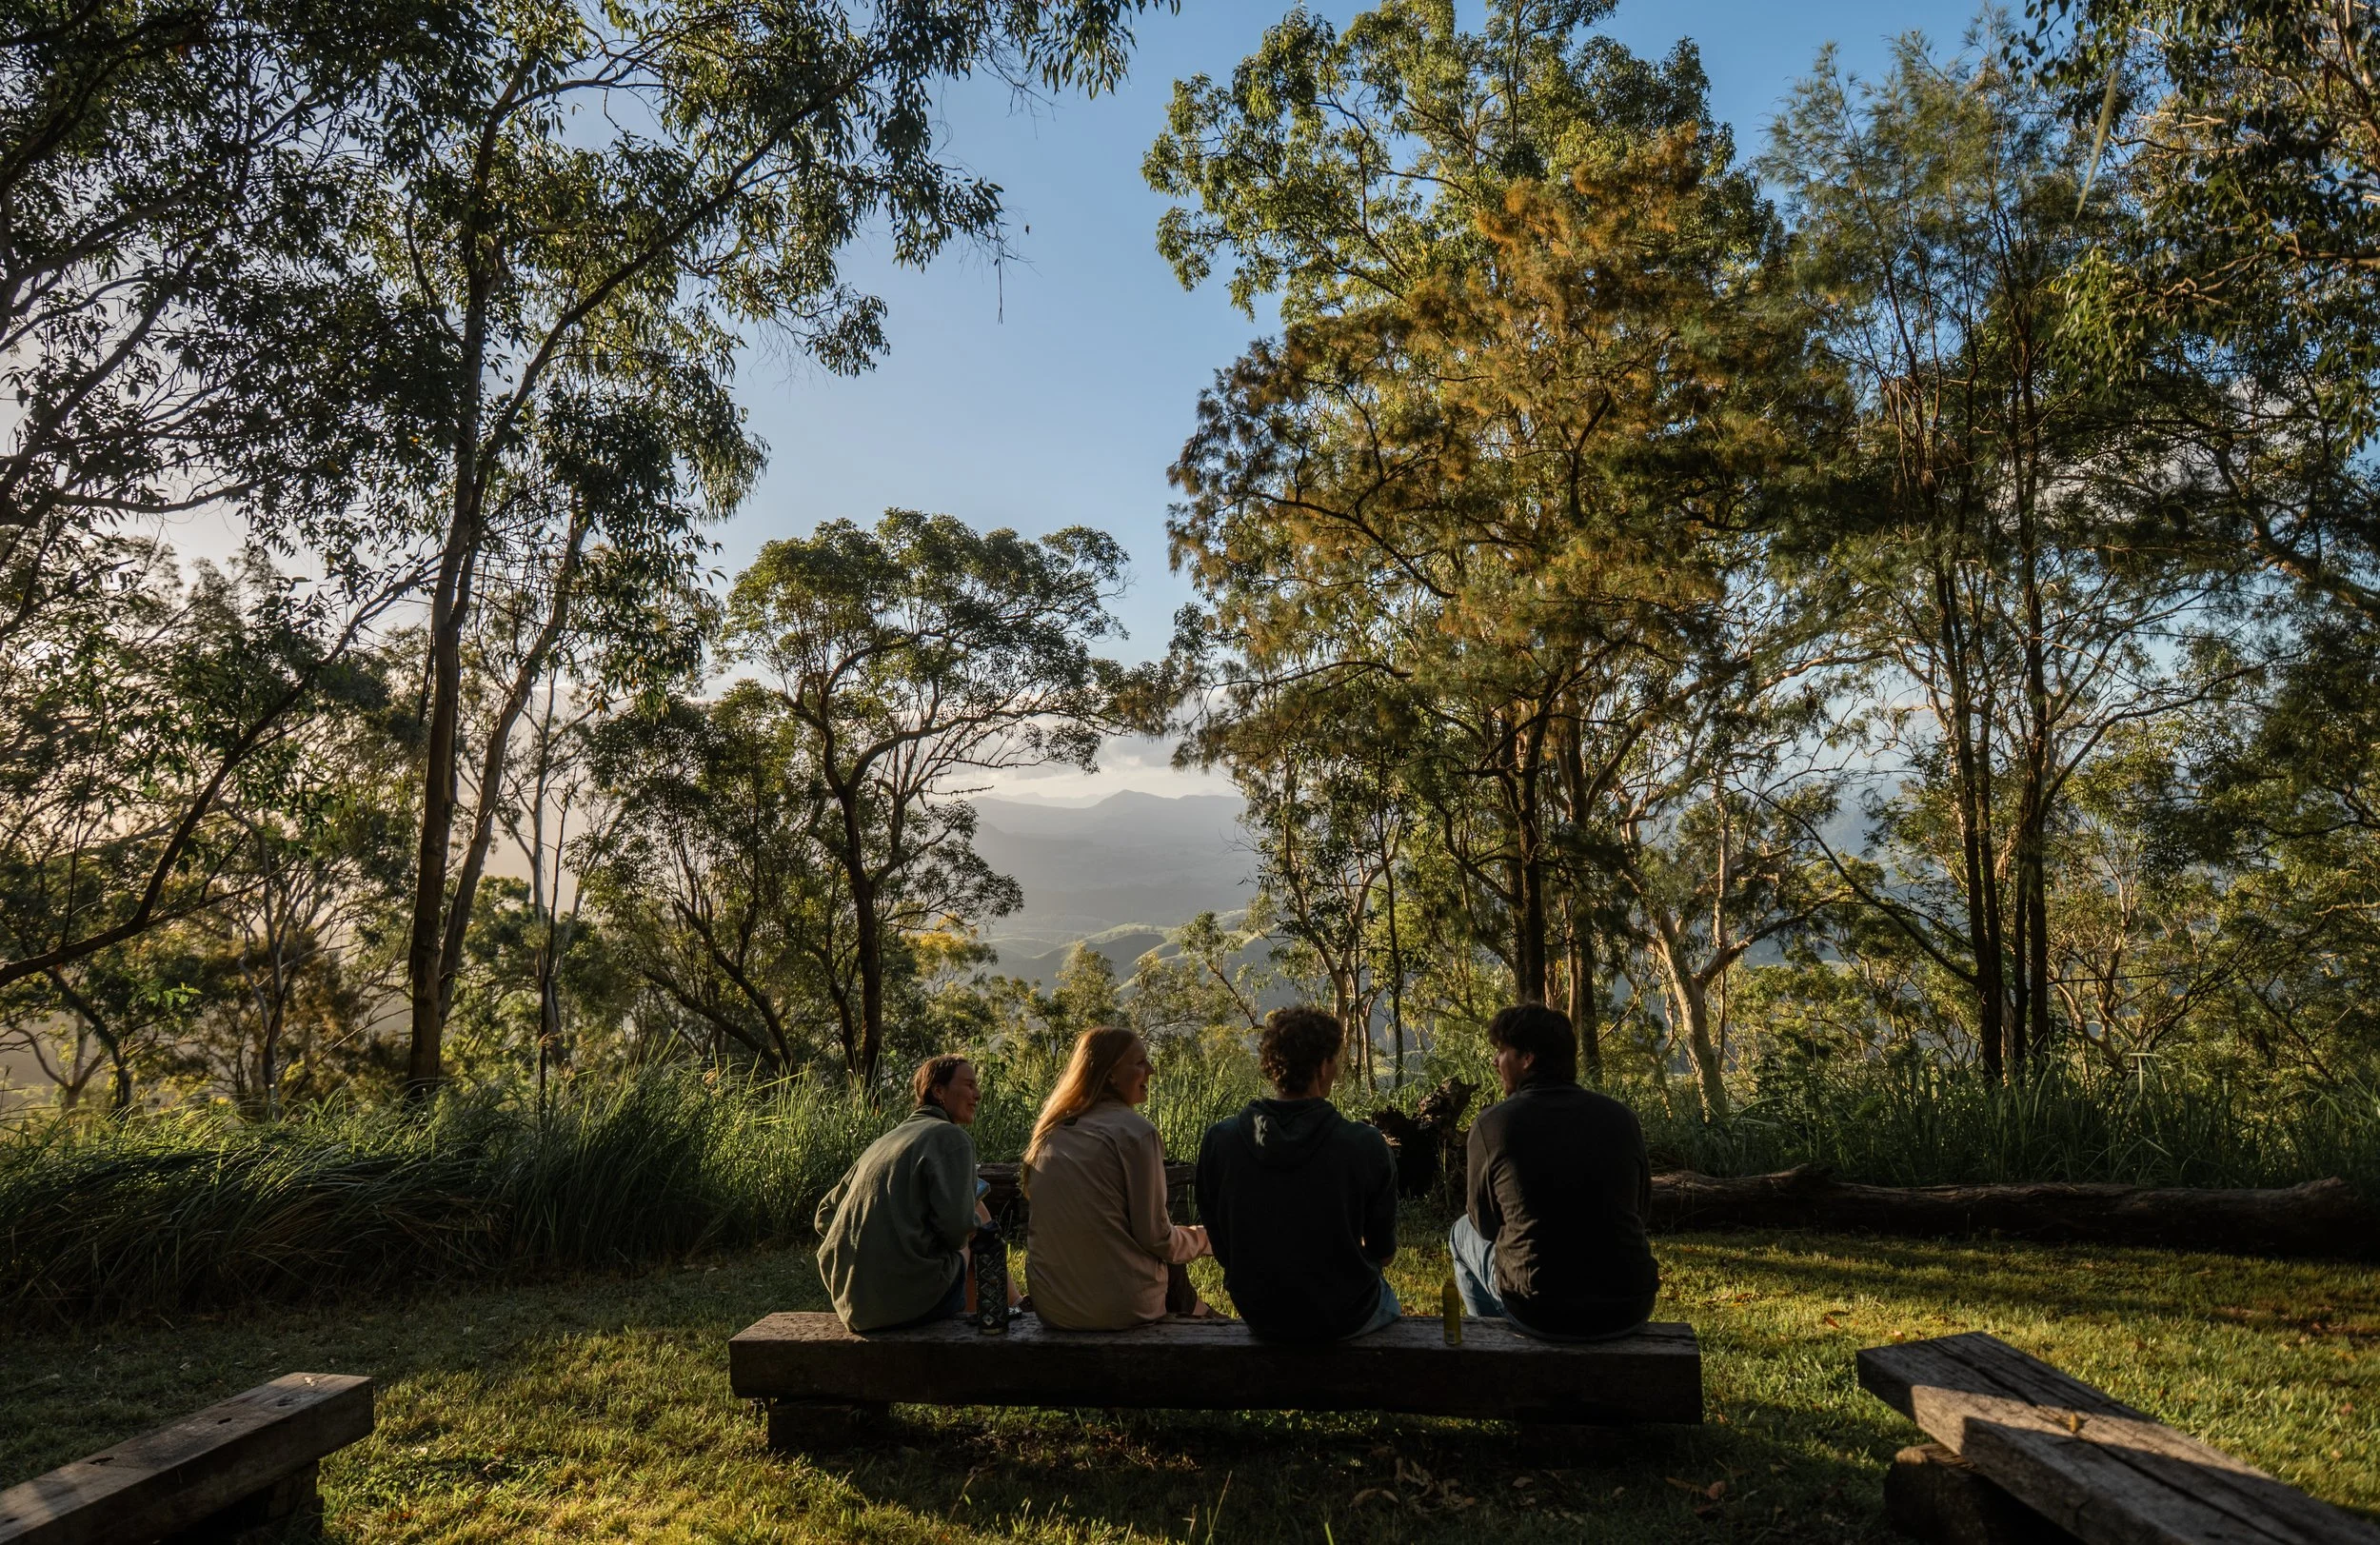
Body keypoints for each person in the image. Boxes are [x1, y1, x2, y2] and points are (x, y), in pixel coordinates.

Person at [1449, 1003, 1658, 1339]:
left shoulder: (1493, 1124)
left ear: (1527, 1058)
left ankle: (1494, 1344)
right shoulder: (1621, 1118)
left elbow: (1485, 1226)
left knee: (1460, 1234)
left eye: (1502, 1051)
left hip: (1540, 1311)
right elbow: (1640, 1212)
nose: (1495, 1061)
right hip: (1629, 1305)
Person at [1196, 1005, 1399, 1340]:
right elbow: (1383, 1253)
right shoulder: (1364, 1144)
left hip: (1260, 1314)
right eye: (1336, 1061)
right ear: (1322, 1067)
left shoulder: (1221, 1140)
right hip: (1345, 1315)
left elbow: (1223, 1248)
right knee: (1389, 1303)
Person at [1021, 1027, 1213, 1329]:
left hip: (1053, 1308)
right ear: (1110, 1075)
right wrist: (1208, 1238)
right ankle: (1209, 1321)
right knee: (1170, 1255)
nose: (1151, 1070)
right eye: (1139, 1063)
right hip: (1117, 1309)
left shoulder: (1050, 1132)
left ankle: (1204, 1315)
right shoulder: (1136, 1133)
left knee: (1166, 1260)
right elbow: (1158, 1238)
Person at [815, 1054, 990, 1332]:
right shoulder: (951, 1138)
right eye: (969, 1085)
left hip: (853, 1304)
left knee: (976, 1206)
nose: (977, 1094)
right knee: (979, 1230)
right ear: (939, 1091)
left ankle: (1010, 1303)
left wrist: (879, 1239)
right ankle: (977, 1331)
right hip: (906, 1302)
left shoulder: (884, 1142)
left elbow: (824, 1214)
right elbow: (957, 1229)